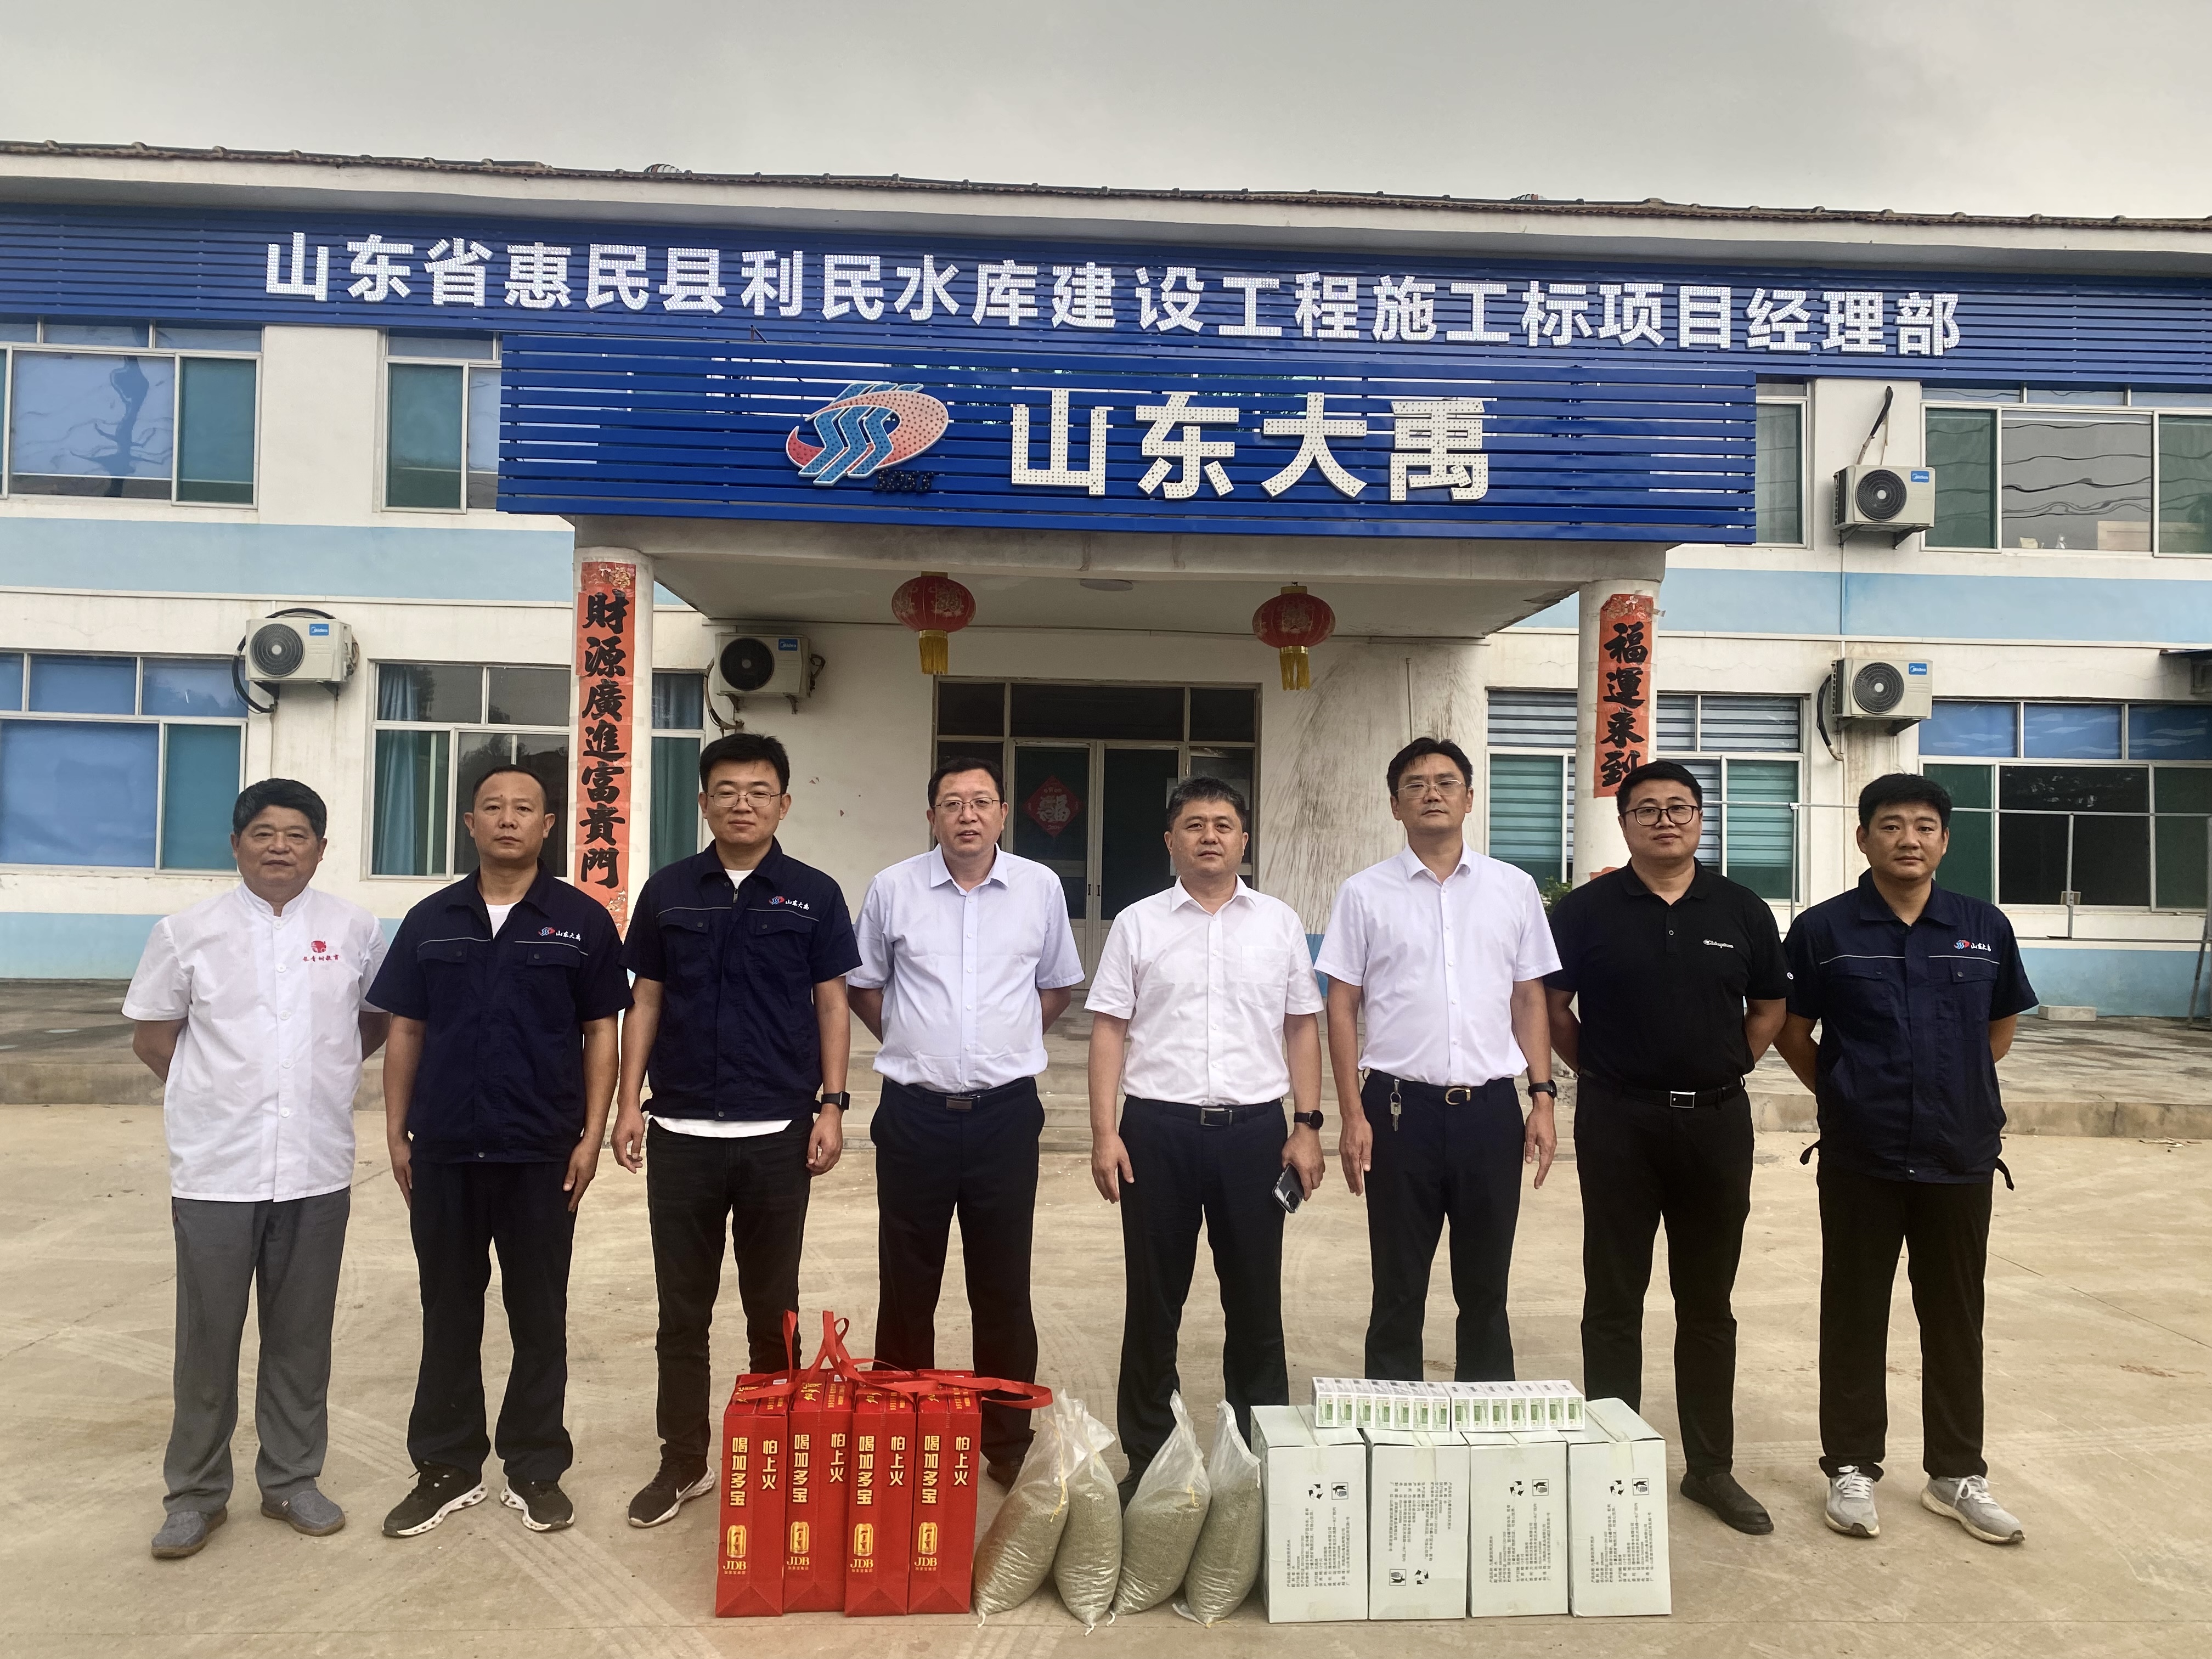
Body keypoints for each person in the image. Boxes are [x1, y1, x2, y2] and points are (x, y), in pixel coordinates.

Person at [123, 780, 388, 1560]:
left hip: (316, 1166)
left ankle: (292, 1479)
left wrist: (313, 1083)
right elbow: (154, 1039)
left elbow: (374, 1022)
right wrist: (219, 1097)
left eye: (297, 834)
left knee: (301, 1336)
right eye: (264, 833)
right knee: (207, 1338)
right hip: (217, 1170)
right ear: (236, 844)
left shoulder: (355, 929)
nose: (280, 847)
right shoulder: (186, 932)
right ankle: (194, 1494)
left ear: (322, 849)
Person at [1776, 773, 2038, 1547]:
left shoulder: (1983, 926)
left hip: (1959, 1155)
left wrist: (1955, 1090)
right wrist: (1845, 1091)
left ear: (1945, 841)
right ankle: (1851, 1467)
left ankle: (1956, 1473)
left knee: (1955, 1317)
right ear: (1863, 838)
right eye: (1891, 825)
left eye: (1925, 826)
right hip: (1864, 1154)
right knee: (1854, 1313)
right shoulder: (1824, 929)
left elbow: (1998, 1028)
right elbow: (1792, 1029)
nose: (1909, 839)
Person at [370, 764, 630, 1538]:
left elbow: (601, 1033)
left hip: (541, 1153)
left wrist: (590, 1135)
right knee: (447, 1310)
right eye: (492, 807)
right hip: (446, 1150)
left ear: (549, 826)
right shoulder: (431, 920)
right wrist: (395, 1131)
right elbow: (406, 1029)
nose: (507, 819)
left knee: (538, 1314)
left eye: (524, 808)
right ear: (470, 823)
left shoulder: (581, 921)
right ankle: (447, 1467)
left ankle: (535, 1466)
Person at [610, 732, 858, 1528]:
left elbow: (832, 1004)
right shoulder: (669, 891)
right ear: (703, 802)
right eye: (726, 790)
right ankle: (683, 1461)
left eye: (757, 792)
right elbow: (646, 999)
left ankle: (774, 1457)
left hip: (776, 1134)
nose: (741, 804)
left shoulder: (813, 894)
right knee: (681, 1313)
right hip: (681, 1132)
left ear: (783, 804)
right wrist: (627, 1103)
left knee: (772, 1310)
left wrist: (832, 1105)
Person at [1543, 760, 1787, 1536]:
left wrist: (1726, 1065)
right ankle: (1611, 1456)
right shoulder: (1586, 911)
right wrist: (1602, 1074)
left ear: (1700, 819)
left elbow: (1770, 1007)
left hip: (1716, 1125)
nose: (1664, 821)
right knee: (1614, 1296)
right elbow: (1555, 1008)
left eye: (1679, 808)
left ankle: (1710, 1467)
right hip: (1618, 1122)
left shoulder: (1742, 908)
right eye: (1646, 809)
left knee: (1708, 1302)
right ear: (1624, 825)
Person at [847, 754, 1084, 1487]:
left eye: (982, 802)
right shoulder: (893, 888)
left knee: (1002, 1282)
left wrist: (1003, 1046)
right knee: (907, 1281)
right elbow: (863, 985)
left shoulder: (1040, 888)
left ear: (1004, 814)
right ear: (932, 817)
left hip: (1004, 1116)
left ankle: (1006, 1441)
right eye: (952, 803)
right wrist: (915, 1042)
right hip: (913, 1114)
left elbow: (1056, 987)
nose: (968, 815)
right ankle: (901, 1429)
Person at [1087, 777, 1324, 1494]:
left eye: (1224, 824)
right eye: (1194, 825)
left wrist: (1307, 1125)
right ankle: (1151, 1463)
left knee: (1256, 1304)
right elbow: (1110, 1029)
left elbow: (1301, 1027)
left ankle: (1254, 1463)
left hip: (1254, 1135)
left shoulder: (1278, 922)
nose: (1210, 836)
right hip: (1155, 1131)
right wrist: (1104, 1132)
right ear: (1171, 842)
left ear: (1244, 840)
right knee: (1153, 1303)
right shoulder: (1138, 924)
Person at [1314, 736, 1560, 1383]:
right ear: (1395, 805)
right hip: (1398, 1111)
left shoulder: (1513, 889)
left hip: (1490, 1112)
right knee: (1398, 1285)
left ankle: (1488, 1419)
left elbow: (1529, 997)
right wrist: (1351, 1114)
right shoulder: (1364, 893)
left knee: (1486, 1287)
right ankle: (1391, 1421)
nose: (1432, 794)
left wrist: (1541, 1097)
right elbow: (1341, 1005)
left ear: (1469, 799)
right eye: (1416, 785)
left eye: (1446, 783)